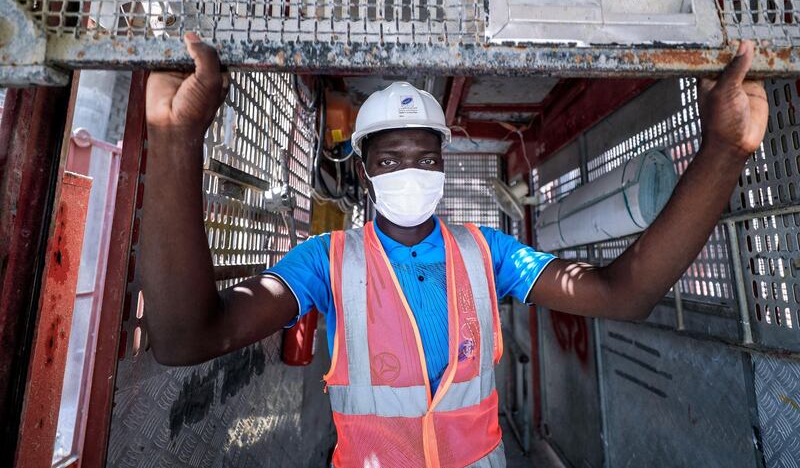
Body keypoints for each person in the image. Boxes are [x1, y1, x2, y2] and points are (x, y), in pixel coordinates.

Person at [140, 32, 768, 467]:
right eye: (390, 159)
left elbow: (622, 294)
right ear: (365, 172)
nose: (410, 172)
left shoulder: (487, 253)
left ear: (444, 165)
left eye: (425, 157)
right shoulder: (324, 261)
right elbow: (187, 339)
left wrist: (724, 151)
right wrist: (176, 140)